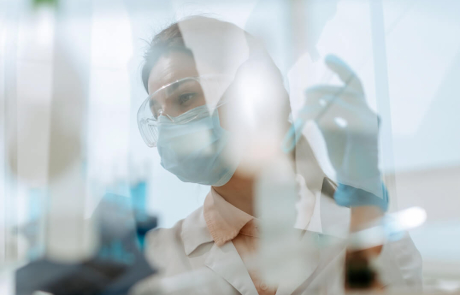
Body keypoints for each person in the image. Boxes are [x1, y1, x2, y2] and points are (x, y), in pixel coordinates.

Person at [131, 16, 422, 295]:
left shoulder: (366, 228)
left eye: (185, 98)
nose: (169, 126)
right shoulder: (159, 256)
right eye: (158, 112)